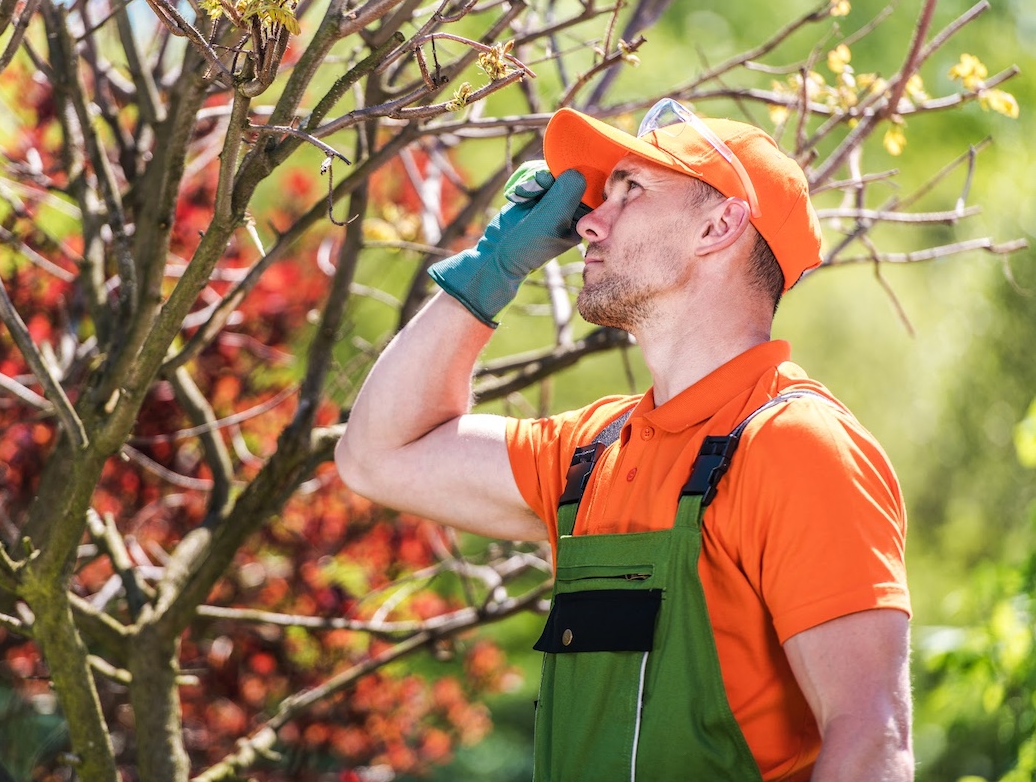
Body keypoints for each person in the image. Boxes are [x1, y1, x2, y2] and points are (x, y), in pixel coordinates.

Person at [334, 99, 912, 782]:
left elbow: (870, 737)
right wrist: (487, 275)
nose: (584, 221)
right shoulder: (592, 453)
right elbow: (378, 454)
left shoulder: (796, 445)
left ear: (719, 224)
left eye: (629, 191)